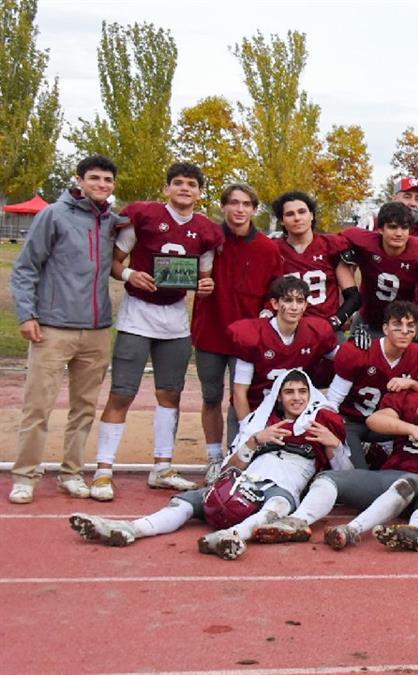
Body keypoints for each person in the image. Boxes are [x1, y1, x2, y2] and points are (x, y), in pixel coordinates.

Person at [68, 369, 347, 560]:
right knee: (187, 502)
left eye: (302, 392)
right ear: (279, 396)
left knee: (277, 508)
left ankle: (233, 536)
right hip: (243, 482)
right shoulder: (258, 423)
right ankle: (131, 529)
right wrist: (255, 442)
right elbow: (228, 470)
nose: (297, 397)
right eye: (289, 392)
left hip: (284, 488)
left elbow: (345, 477)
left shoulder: (322, 423)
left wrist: (333, 444)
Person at [94, 162, 224, 498]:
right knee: (122, 392)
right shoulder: (145, 215)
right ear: (167, 188)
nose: (185, 188)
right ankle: (104, 469)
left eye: (191, 184)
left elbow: (203, 276)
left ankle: (162, 466)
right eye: (178, 183)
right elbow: (115, 261)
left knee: (170, 394)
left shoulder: (207, 230)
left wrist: (205, 285)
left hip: (175, 317)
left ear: (199, 192)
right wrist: (128, 276)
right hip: (137, 313)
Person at [253, 363, 418, 551]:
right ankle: (297, 522)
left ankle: (358, 530)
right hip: (390, 475)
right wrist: (413, 429)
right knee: (329, 479)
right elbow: (374, 421)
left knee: (412, 485)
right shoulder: (413, 400)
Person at [9, 156, 122, 504]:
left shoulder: (112, 222)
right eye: (95, 179)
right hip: (53, 328)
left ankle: (72, 473)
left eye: (107, 180)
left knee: (84, 408)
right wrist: (27, 315)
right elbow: (26, 268)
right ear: (79, 180)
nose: (101, 185)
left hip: (97, 329)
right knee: (38, 406)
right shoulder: (54, 215)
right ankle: (26, 475)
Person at [191, 184, 282, 480]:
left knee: (240, 397)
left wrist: (266, 315)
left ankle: (236, 453)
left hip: (247, 339)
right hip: (210, 332)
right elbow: (183, 273)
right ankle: (214, 457)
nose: (239, 209)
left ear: (254, 210)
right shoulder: (208, 241)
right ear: (224, 207)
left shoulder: (268, 248)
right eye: (233, 203)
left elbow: (276, 291)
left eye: (245, 204)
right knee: (211, 397)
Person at [324, 301, 418, 467]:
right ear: (385, 329)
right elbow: (334, 399)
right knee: (358, 475)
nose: (404, 331)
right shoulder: (360, 352)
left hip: (389, 426)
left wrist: (412, 383)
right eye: (397, 325)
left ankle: (383, 453)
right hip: (352, 422)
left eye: (410, 325)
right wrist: (334, 427)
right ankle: (366, 451)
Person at [228, 276, 339, 423]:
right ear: (274, 303)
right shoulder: (254, 335)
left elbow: (346, 360)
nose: (294, 307)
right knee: (241, 444)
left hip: (298, 411)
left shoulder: (315, 332)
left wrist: (359, 348)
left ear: (305, 305)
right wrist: (247, 429)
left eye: (299, 301)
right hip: (258, 410)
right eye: (288, 300)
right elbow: (240, 392)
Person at [339, 201, 418, 339]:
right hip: (368, 319)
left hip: (403, 323)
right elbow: (339, 239)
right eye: (393, 227)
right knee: (355, 357)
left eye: (404, 228)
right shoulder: (364, 243)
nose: (399, 233)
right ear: (380, 229)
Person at [273, 191, 357, 330]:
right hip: (287, 329)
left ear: (311, 215)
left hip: (325, 327)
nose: (297, 218)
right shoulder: (274, 249)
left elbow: (353, 298)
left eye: (302, 212)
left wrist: (335, 323)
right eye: (289, 214)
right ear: (281, 220)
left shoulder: (331, 245)